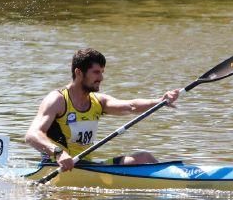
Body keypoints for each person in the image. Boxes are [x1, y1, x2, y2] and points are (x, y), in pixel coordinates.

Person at [25, 48, 179, 172]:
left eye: (102, 72)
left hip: (86, 165)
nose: (101, 78)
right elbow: (32, 135)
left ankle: (174, 179)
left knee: (144, 158)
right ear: (79, 73)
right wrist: (58, 153)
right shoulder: (57, 100)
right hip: (57, 167)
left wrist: (160, 101)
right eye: (96, 72)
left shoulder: (98, 101)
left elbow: (131, 106)